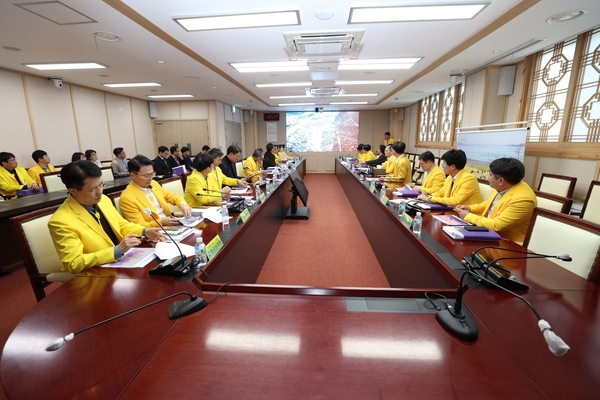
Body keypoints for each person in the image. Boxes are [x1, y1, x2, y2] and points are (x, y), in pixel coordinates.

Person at [47, 161, 167, 274]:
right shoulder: (61, 221)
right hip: (95, 275)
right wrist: (117, 251)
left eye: (101, 185)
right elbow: (73, 263)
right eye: (93, 189)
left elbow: (121, 224)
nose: (100, 192)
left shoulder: (103, 200)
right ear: (73, 190)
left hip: (122, 266)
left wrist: (144, 232)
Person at [455, 158, 537, 242]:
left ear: (501, 180)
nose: (487, 178)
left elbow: (496, 225)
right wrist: (470, 208)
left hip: (507, 241)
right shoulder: (503, 186)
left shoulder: (524, 199)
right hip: (486, 231)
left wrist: (468, 216)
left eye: (490, 175)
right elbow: (490, 204)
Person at [119, 155, 192, 227]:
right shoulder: (127, 198)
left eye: (152, 174)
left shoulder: (153, 183)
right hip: (154, 232)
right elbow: (141, 226)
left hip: (170, 225)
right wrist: (162, 222)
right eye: (146, 176)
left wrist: (182, 203)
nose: (150, 178)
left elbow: (171, 196)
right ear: (132, 175)